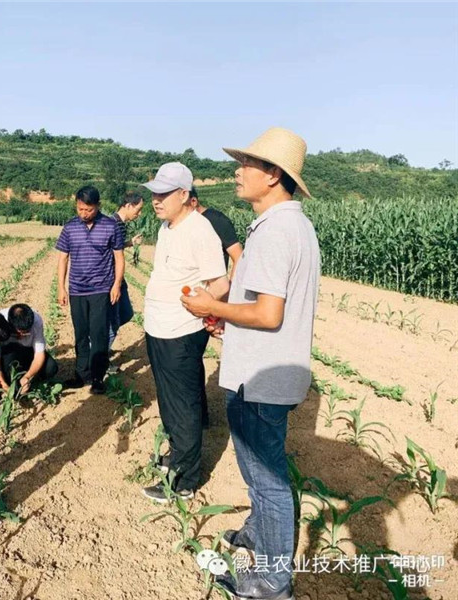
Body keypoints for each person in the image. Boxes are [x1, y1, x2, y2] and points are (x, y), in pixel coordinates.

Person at [182, 128, 320, 600]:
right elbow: (261, 309)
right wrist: (229, 321)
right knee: (265, 478)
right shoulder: (285, 224)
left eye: (247, 164)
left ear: (274, 175)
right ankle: (257, 538)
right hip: (264, 371)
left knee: (268, 484)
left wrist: (212, 309)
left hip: (261, 381)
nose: (236, 171)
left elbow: (268, 313)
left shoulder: (277, 230)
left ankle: (273, 583)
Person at [139, 162, 229, 504]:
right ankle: (177, 457)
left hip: (181, 331)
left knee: (185, 404)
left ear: (184, 195)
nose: (156, 200)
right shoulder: (167, 227)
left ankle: (186, 480)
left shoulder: (200, 230)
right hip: (158, 328)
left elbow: (219, 283)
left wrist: (207, 310)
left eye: (163, 194)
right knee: (168, 399)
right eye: (154, 193)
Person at [56, 185, 125, 394]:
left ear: (98, 206)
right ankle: (81, 374)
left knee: (99, 333)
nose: (84, 213)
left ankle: (97, 377)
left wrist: (116, 285)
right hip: (77, 289)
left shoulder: (111, 226)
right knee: (81, 333)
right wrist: (61, 287)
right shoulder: (69, 227)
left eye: (88, 209)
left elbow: (119, 258)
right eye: (80, 209)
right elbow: (63, 258)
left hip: (101, 288)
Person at [189, 185, 244, 427]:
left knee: (193, 355)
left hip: (212, 297)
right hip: (193, 299)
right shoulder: (183, 224)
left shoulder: (216, 220)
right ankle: (198, 414)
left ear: (190, 201)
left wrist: (227, 295)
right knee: (191, 357)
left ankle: (201, 416)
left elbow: (238, 256)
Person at [107, 191, 144, 371]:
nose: (139, 213)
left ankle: (99, 347)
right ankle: (99, 357)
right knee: (114, 320)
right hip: (113, 280)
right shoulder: (115, 224)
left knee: (126, 313)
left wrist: (130, 242)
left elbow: (116, 247)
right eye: (138, 209)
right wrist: (115, 283)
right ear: (128, 205)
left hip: (117, 279)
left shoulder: (118, 223)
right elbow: (113, 254)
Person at [0, 303, 59, 396]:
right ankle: (15, 384)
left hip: (27, 350)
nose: (22, 336)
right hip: (8, 355)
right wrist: (3, 385)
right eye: (19, 332)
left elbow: (39, 354)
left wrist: (27, 376)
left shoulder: (36, 320)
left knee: (51, 367)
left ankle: (25, 381)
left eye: (26, 332)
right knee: (9, 361)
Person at [189, 185, 243, 275]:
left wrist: (231, 286)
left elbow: (238, 257)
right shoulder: (177, 224)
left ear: (193, 201)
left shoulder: (217, 220)